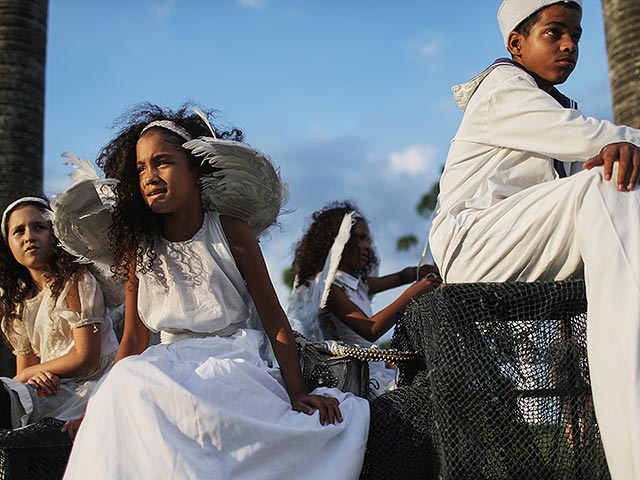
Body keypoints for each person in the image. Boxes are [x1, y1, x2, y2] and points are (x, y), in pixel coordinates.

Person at [63, 104, 369, 479]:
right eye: (141, 168)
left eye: (162, 162)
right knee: (128, 385)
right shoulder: (138, 247)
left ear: (196, 170)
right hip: (164, 362)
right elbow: (134, 338)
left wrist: (296, 392)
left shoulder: (230, 230)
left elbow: (274, 319)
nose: (149, 176)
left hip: (231, 357)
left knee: (190, 409)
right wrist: (98, 404)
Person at [428, 1, 640, 477]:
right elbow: (589, 138)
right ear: (516, 45)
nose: (569, 44)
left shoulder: (554, 104)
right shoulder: (505, 88)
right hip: (473, 242)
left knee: (615, 186)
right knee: (613, 182)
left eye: (577, 35)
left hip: (515, 238)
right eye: (554, 32)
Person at [288, 201, 441, 397]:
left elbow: (398, 277)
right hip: (357, 382)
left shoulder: (357, 284)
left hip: (376, 371)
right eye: (360, 238)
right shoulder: (331, 289)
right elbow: (370, 329)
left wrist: (414, 273)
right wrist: (414, 292)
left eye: (368, 240)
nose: (367, 246)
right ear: (338, 242)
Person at [0, 197, 118, 437]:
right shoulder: (19, 302)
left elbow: (87, 358)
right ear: (8, 245)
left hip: (87, 388)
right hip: (49, 388)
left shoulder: (76, 281)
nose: (29, 237)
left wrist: (29, 374)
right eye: (18, 231)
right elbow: (27, 372)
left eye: (39, 227)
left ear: (55, 234)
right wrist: (35, 375)